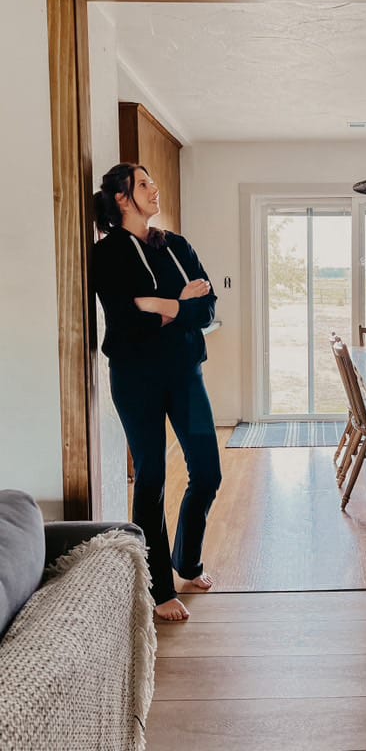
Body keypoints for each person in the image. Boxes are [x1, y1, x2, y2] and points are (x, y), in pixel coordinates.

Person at [93, 162, 221, 621]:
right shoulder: (106, 254)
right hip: (136, 377)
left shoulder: (176, 245)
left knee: (207, 473)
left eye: (151, 181)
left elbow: (207, 310)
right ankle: (159, 587)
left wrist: (167, 306)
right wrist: (180, 303)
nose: (155, 189)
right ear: (123, 198)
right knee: (151, 479)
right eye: (144, 184)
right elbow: (126, 324)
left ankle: (186, 559)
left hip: (186, 371)